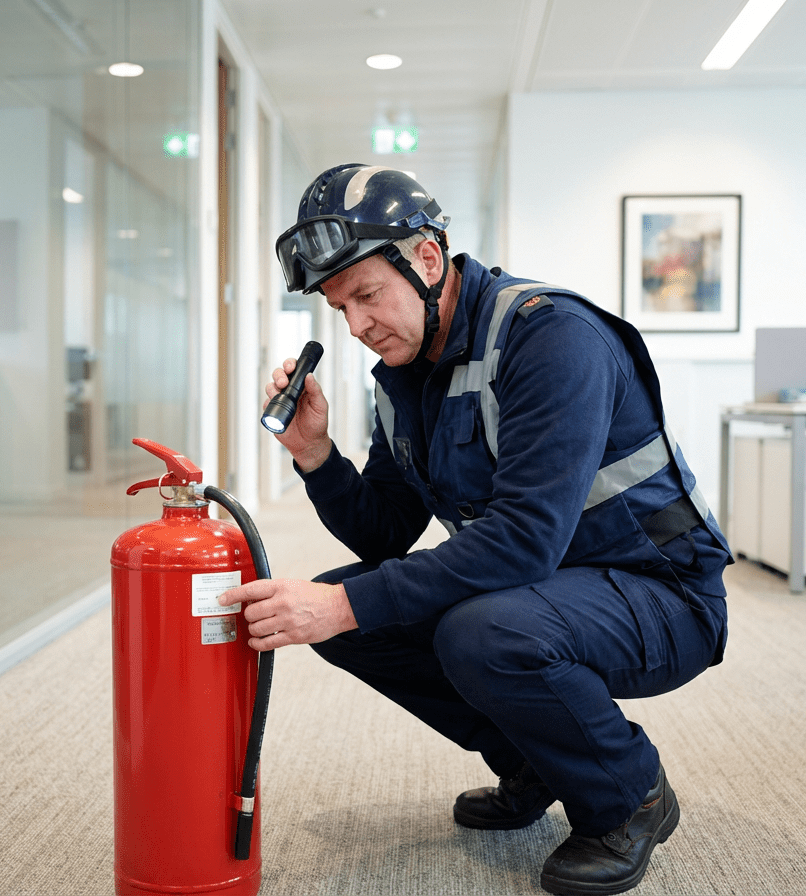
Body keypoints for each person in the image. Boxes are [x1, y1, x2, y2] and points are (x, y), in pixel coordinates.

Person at [218, 164, 732, 896]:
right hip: (547, 588)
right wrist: (316, 454)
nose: (359, 326)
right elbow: (387, 533)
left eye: (367, 294)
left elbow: (522, 540)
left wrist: (337, 605)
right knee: (349, 613)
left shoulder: (552, 339)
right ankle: (539, 759)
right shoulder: (403, 371)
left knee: (474, 630)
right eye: (340, 308)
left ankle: (629, 794)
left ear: (428, 258)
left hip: (660, 594)